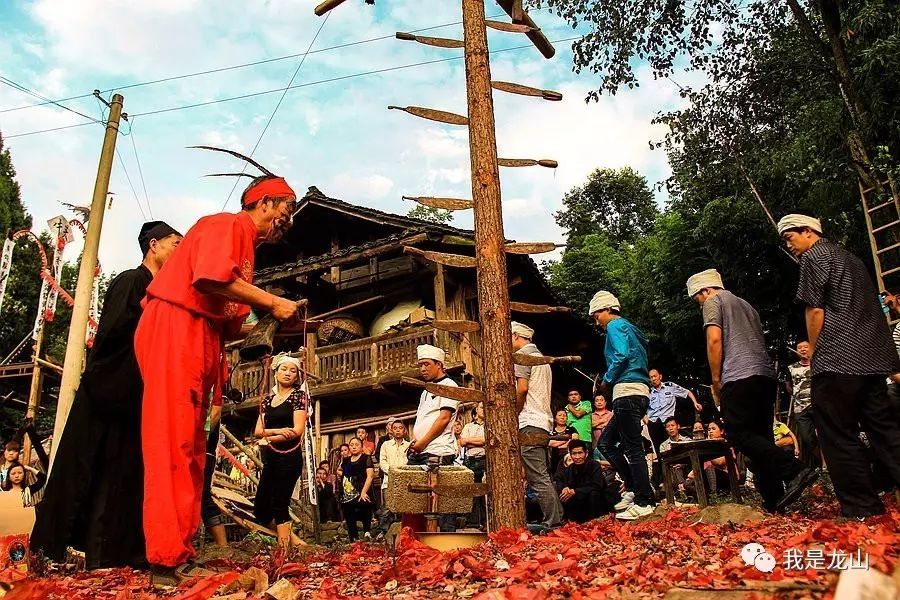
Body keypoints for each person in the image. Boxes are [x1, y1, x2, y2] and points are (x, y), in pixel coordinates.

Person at [135, 166, 303, 574]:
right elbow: (209, 277)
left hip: (204, 337)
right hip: (177, 326)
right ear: (262, 202)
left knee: (194, 451)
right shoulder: (226, 225)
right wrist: (271, 302)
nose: (289, 220)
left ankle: (181, 551)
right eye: (286, 209)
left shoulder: (246, 253)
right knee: (172, 445)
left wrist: (276, 323)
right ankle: (165, 558)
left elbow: (232, 324)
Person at [30, 221, 182, 570]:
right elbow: (114, 338)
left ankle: (113, 555)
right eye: (176, 243)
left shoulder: (164, 291)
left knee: (121, 480)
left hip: (135, 398)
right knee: (85, 472)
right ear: (154, 245)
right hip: (109, 390)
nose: (180, 251)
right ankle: (51, 552)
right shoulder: (132, 281)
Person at [779, 213, 900, 518]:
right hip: (871, 357)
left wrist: (815, 349)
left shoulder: (814, 256)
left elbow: (815, 309)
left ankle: (862, 507)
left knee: (836, 432)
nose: (789, 245)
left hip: (838, 357)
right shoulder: (852, 259)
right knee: (884, 429)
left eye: (789, 237)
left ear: (807, 232)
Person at [686, 268, 814, 513]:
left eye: (697, 299)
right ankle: (774, 500)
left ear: (705, 290)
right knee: (761, 438)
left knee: (737, 433)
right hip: (764, 376)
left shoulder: (713, 301)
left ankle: (796, 469)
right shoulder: (747, 306)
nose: (698, 304)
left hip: (738, 376)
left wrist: (715, 379)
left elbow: (714, 339)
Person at [588, 291, 655, 521]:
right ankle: (636, 487)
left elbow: (621, 355)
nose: (595, 318)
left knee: (632, 448)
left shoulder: (615, 326)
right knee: (606, 443)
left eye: (596, 313)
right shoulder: (633, 329)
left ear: (607, 309)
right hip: (638, 391)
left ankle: (644, 500)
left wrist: (607, 380)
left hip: (626, 390)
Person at [512, 322, 563, 531]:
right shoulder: (542, 360)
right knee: (542, 474)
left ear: (516, 336)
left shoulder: (523, 356)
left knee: (537, 476)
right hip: (543, 421)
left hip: (529, 420)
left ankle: (553, 522)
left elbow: (522, 389)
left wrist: (513, 413)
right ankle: (556, 518)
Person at [253, 354, 308, 551]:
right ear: (276, 373)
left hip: (289, 457)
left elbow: (297, 431)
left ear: (296, 377)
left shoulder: (298, 396)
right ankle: (296, 542)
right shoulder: (268, 400)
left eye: (293, 371)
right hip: (271, 458)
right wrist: (275, 432)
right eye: (284, 369)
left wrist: (266, 439)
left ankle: (283, 550)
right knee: (260, 508)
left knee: (280, 503)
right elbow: (258, 430)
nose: (288, 373)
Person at [408, 344, 459, 532]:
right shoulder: (426, 390)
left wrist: (422, 442)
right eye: (420, 365)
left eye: (427, 364)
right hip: (421, 449)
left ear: (439, 364)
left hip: (437, 450)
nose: (422, 369)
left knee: (442, 501)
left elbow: (444, 418)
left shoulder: (449, 386)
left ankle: (448, 543)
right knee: (416, 500)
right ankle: (419, 542)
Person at [646, 369, 701, 486]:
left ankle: (681, 477)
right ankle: (665, 480)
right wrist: (646, 420)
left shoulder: (670, 386)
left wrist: (695, 403)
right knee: (659, 451)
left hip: (668, 421)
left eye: (655, 376)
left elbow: (687, 392)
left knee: (673, 448)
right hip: (654, 423)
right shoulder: (647, 392)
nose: (653, 379)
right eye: (651, 377)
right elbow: (641, 407)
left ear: (660, 376)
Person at [553, 440, 616, 523]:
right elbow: (559, 477)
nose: (577, 457)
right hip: (579, 505)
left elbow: (597, 485)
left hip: (596, 503)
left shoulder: (594, 465)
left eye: (580, 453)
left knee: (593, 493)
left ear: (586, 453)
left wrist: (575, 491)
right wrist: (564, 488)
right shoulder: (570, 469)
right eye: (574, 454)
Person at [786, 341, 820, 468]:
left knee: (824, 435)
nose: (802, 349)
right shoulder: (791, 368)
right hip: (800, 408)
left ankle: (826, 466)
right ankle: (820, 463)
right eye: (799, 348)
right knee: (807, 439)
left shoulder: (817, 364)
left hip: (818, 405)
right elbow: (788, 385)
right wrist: (796, 393)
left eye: (805, 347)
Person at [376, 418, 409, 535]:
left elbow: (410, 462)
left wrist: (402, 473)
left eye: (400, 428)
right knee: (387, 508)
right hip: (388, 480)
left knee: (403, 506)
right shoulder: (386, 445)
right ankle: (383, 532)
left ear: (404, 430)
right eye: (395, 428)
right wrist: (392, 472)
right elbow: (382, 461)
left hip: (405, 481)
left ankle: (404, 533)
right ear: (391, 430)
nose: (398, 431)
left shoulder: (409, 445)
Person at [340, 438, 375, 541]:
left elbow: (370, 476)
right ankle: (353, 538)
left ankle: (367, 532)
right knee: (348, 513)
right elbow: (346, 475)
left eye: (357, 444)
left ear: (361, 446)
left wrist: (363, 492)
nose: (354, 447)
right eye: (351, 445)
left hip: (363, 488)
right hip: (349, 491)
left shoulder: (366, 458)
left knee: (365, 506)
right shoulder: (346, 461)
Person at [460, 403, 486, 529]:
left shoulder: (491, 426)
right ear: (476, 409)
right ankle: (473, 522)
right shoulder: (468, 426)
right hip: (470, 460)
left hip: (486, 460)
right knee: (472, 492)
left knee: (486, 492)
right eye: (482, 407)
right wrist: (480, 441)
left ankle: (486, 522)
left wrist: (471, 440)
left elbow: (487, 440)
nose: (484, 409)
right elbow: (463, 442)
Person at [548, 409, 578, 475]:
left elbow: (575, 439)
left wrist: (557, 444)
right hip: (554, 458)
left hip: (569, 458)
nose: (562, 417)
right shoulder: (551, 431)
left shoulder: (571, 429)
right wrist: (567, 440)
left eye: (564, 415)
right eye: (560, 415)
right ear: (555, 419)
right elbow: (550, 443)